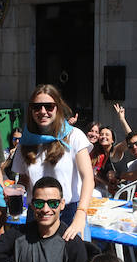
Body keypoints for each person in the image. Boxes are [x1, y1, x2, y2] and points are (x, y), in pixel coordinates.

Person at [11, 84, 94, 240]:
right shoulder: (25, 142)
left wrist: (81, 214)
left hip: (69, 213)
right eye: (37, 107)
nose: (43, 111)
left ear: (58, 108)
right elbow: (23, 181)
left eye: (48, 106)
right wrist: (15, 192)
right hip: (36, 214)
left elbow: (88, 178)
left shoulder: (74, 136)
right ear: (31, 110)